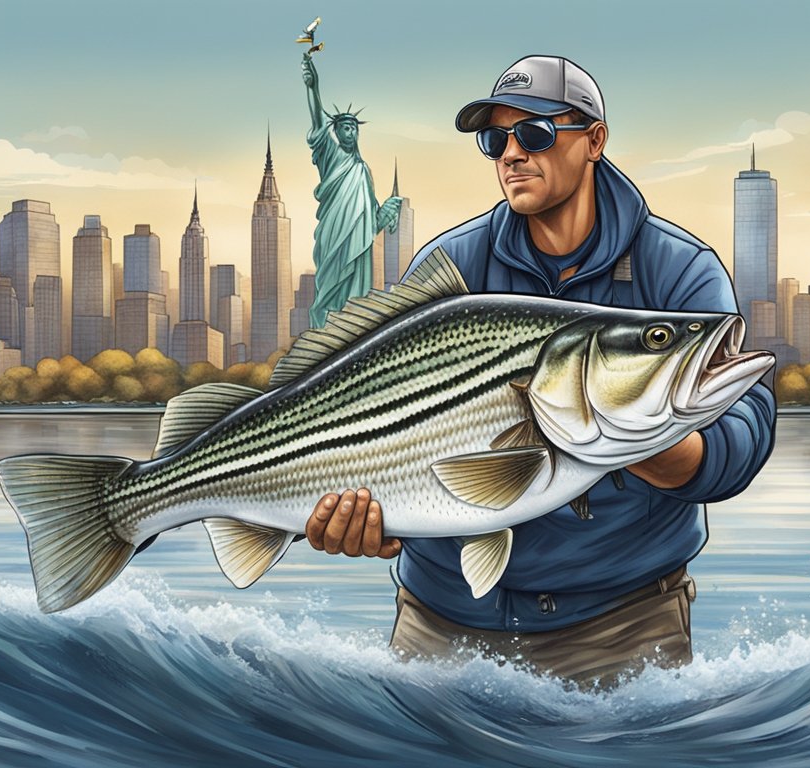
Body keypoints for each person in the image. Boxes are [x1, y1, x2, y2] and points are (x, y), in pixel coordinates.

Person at [303, 55, 776, 686]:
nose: (511, 155)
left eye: (535, 133)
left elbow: (744, 432)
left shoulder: (679, 269)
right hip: (441, 622)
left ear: (594, 141)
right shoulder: (450, 266)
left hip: (622, 627)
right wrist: (374, 525)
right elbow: (367, 416)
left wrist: (641, 439)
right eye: (496, 139)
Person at [301, 53, 403, 328]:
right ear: (337, 132)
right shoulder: (330, 156)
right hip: (334, 237)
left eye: (353, 129)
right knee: (330, 293)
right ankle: (323, 338)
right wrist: (313, 88)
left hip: (359, 245)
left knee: (356, 300)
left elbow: (371, 219)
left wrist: (389, 209)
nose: (350, 133)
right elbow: (318, 124)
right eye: (345, 128)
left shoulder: (363, 170)